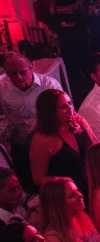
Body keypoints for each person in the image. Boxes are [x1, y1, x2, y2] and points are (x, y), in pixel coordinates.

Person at [0, 52, 63, 185]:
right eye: (12, 74)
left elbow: (65, 114)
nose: (19, 77)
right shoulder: (2, 89)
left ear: (31, 67)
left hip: (50, 139)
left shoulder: (49, 86)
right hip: (22, 143)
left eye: (22, 72)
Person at [29, 89, 96, 201]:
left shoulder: (79, 122)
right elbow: (38, 178)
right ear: (50, 112)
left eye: (70, 103)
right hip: (69, 198)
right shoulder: (42, 139)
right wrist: (66, 185)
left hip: (95, 187)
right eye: (63, 107)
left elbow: (97, 149)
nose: (70, 109)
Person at [45, 0, 89, 86]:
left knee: (78, 45)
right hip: (59, 15)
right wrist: (53, 10)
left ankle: (83, 72)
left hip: (74, 15)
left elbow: (81, 1)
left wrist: (64, 10)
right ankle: (70, 74)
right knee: (64, 45)